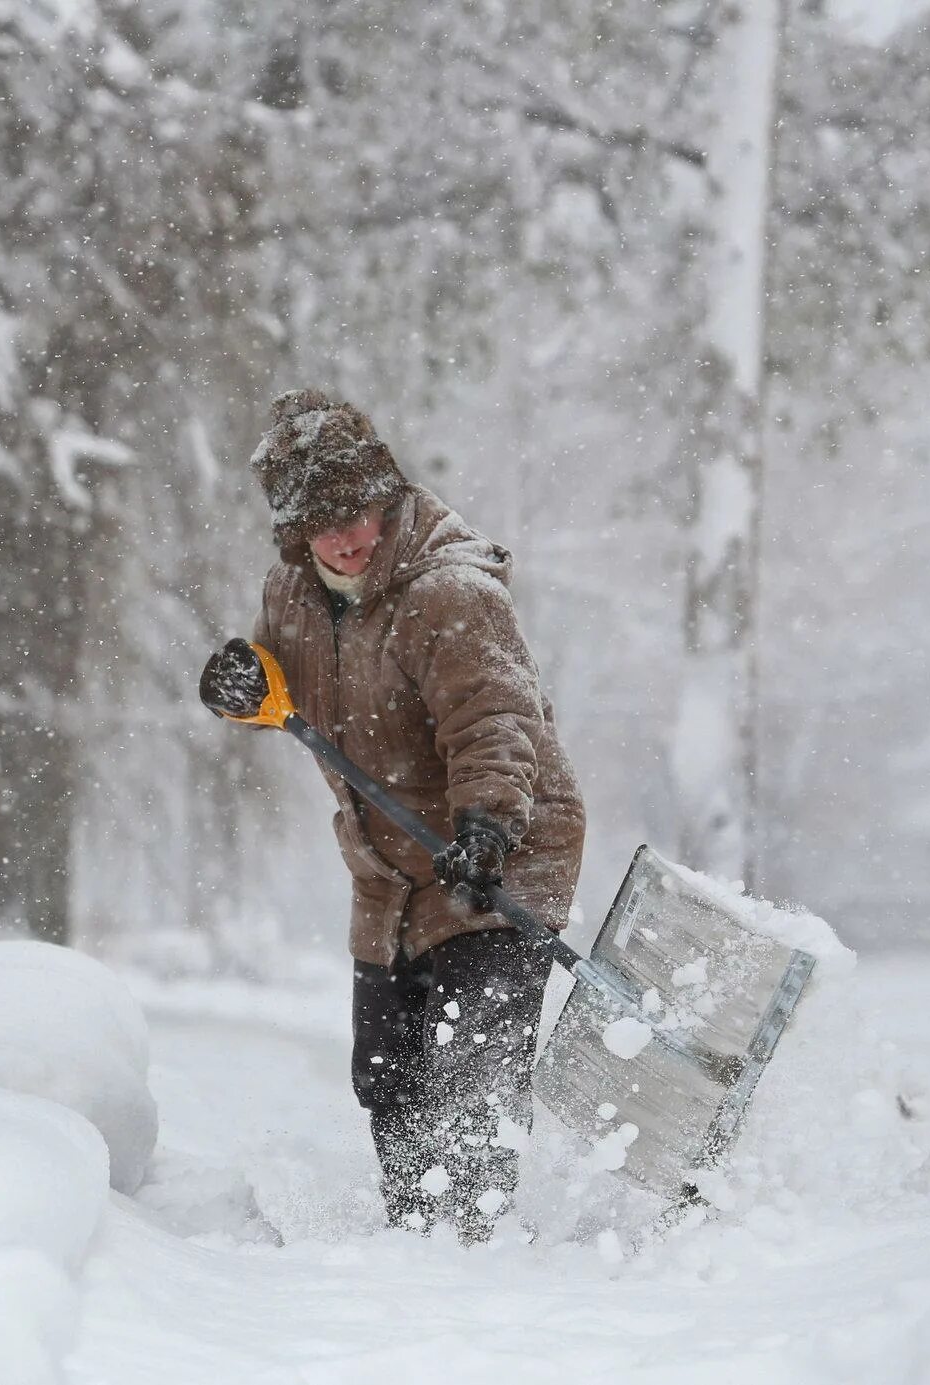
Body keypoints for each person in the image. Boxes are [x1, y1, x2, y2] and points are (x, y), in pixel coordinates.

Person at [200, 388, 586, 1242]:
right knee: (386, 1073)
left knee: (464, 1076)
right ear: (294, 532)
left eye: (363, 509)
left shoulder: (450, 593)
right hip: (390, 872)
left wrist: (488, 823)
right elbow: (284, 681)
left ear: (389, 490)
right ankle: (417, 1239)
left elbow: (495, 718)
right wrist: (241, 685)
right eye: (324, 521)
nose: (351, 534)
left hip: (501, 852)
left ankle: (472, 1253)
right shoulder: (294, 593)